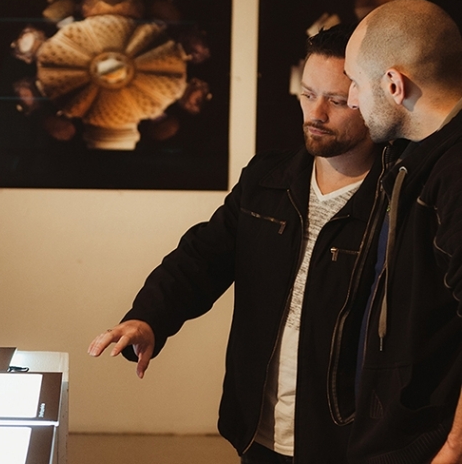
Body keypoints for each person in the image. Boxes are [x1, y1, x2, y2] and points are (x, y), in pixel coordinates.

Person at [89, 24, 380, 463]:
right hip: (258, 431)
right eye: (307, 94)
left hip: (348, 437)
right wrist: (149, 318)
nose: (315, 112)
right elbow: (203, 258)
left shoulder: (399, 198)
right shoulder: (267, 179)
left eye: (337, 101)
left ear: (372, 98)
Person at [343, 0, 462, 464]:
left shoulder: (454, 173)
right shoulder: (418, 158)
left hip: (429, 446)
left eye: (354, 83)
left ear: (393, 84)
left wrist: (452, 450)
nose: (351, 99)